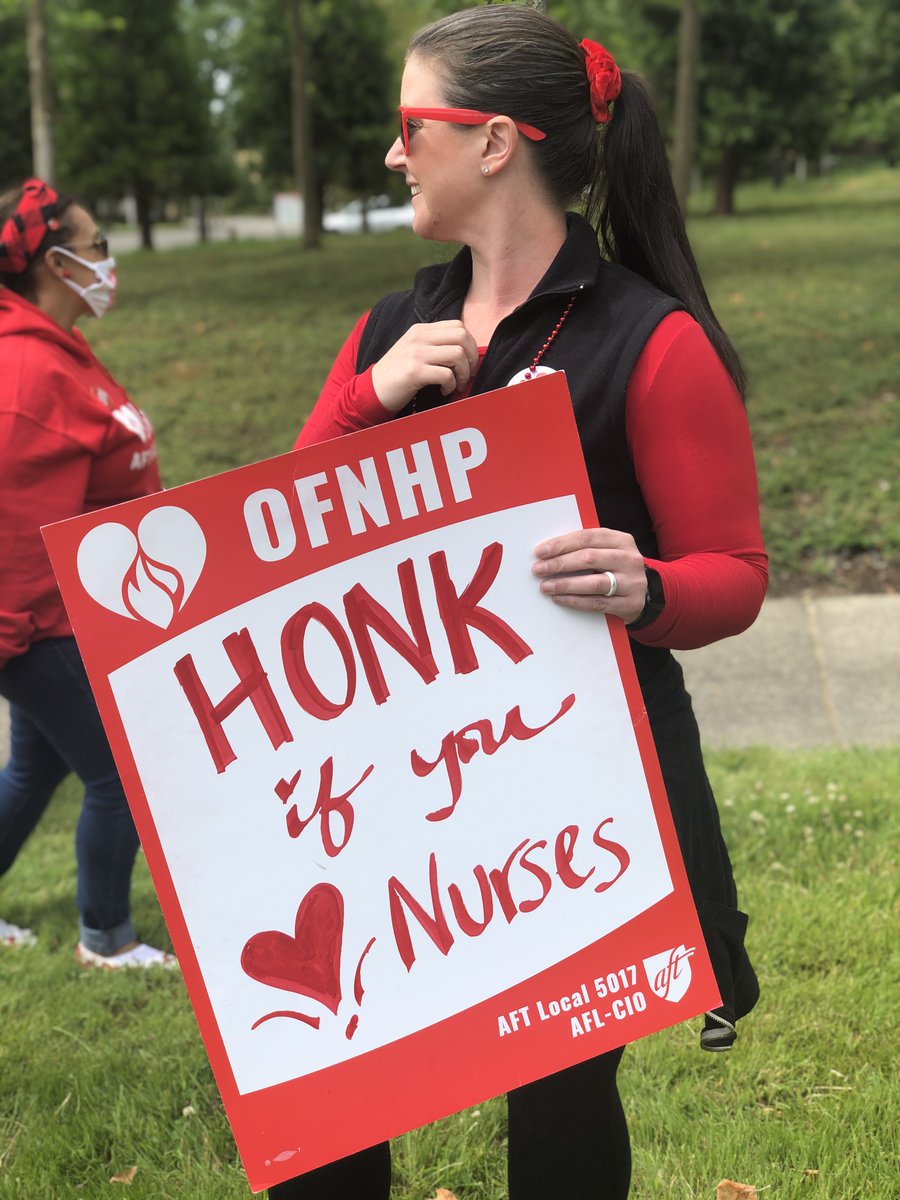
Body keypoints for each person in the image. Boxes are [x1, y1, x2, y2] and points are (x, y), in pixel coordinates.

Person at [274, 5, 766, 1197]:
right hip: (396, 779)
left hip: (574, 784)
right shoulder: (392, 326)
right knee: (339, 1075)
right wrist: (367, 399)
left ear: (494, 142)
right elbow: (280, 539)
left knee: (560, 1087)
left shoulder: (650, 341)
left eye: (411, 128)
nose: (392, 153)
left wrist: (646, 585)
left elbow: (736, 575)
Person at [0, 178, 175, 969]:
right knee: (121, 776)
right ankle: (106, 937)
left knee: (35, 768)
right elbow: (15, 534)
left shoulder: (55, 349)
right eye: (97, 245)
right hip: (40, 628)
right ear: (54, 263)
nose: (109, 260)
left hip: (72, 616)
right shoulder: (28, 374)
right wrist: (17, 646)